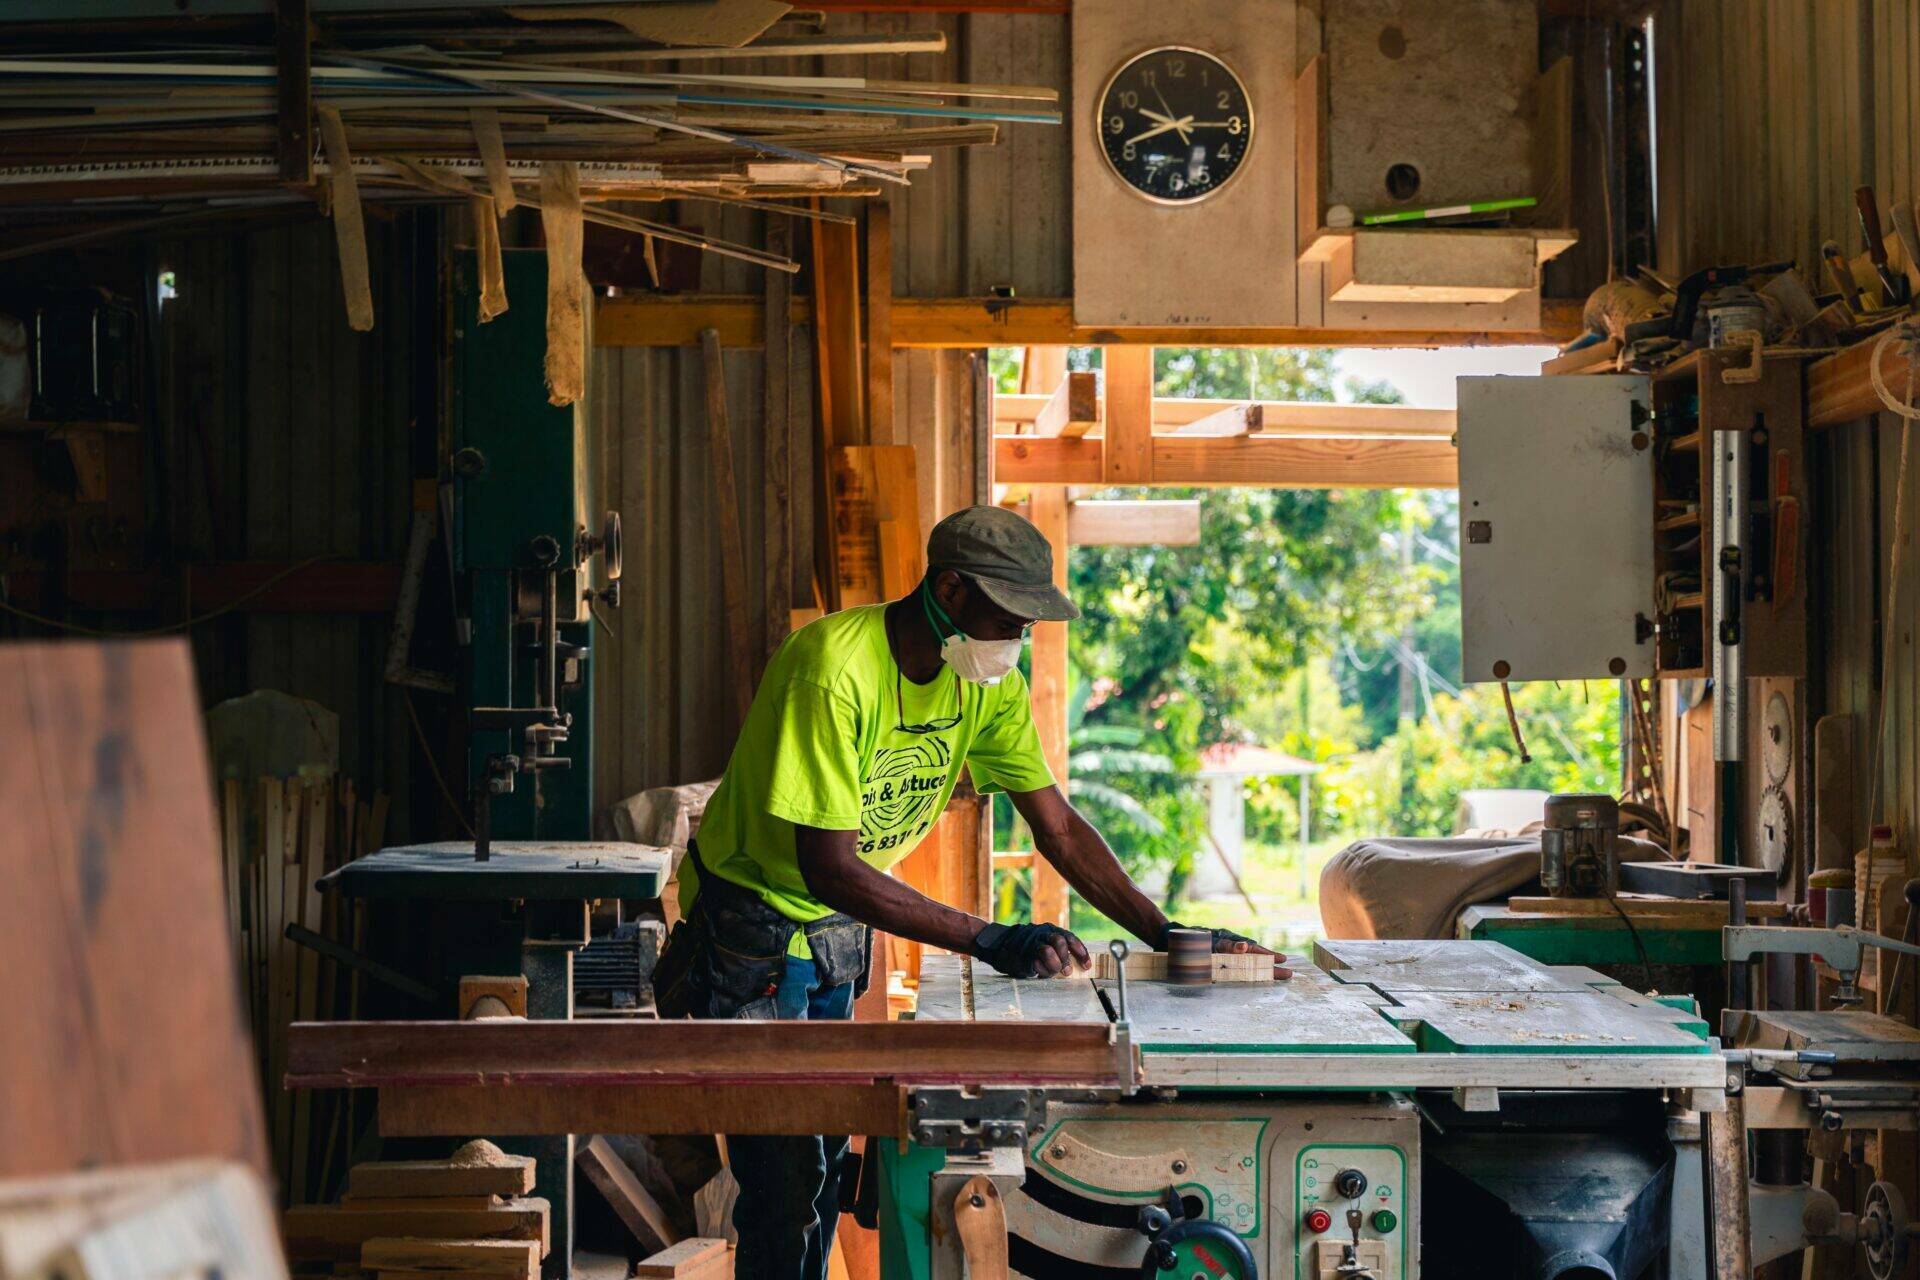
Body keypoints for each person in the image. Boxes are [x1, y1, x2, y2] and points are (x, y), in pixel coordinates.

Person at [653, 504, 1286, 1280]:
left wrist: (1163, 931)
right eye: (1009, 618)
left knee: (820, 1166)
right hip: (752, 926)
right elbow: (829, 866)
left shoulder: (984, 685)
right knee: (783, 1187)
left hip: (835, 933)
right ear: (949, 591)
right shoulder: (832, 669)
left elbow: (1057, 826)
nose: (1018, 640)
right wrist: (989, 938)